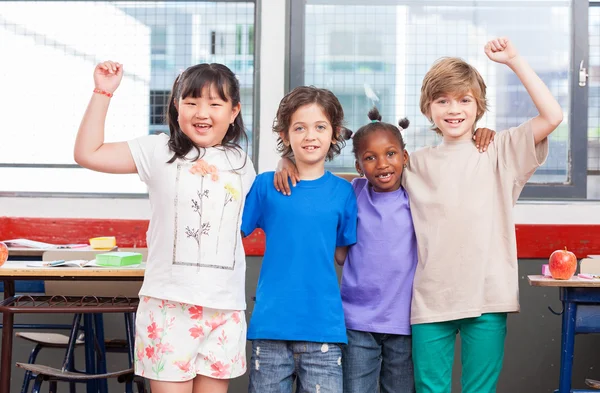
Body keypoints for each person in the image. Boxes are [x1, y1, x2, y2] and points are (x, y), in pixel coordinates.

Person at [74, 61, 255, 393]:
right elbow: (88, 153)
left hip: (224, 309)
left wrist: (287, 160)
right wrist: (103, 92)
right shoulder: (158, 150)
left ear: (234, 112)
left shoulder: (242, 163)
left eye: (215, 103)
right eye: (191, 102)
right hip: (168, 306)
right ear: (176, 106)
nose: (202, 112)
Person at [406, 37, 562, 393]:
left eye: (464, 100)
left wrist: (514, 60)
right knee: (429, 388)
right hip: (431, 299)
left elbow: (553, 116)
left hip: (488, 295)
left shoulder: (500, 150)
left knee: (480, 389)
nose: (453, 109)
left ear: (479, 107)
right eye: (442, 100)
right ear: (427, 108)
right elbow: (366, 175)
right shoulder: (413, 163)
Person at [241, 86, 358, 393]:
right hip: (270, 329)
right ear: (284, 135)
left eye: (320, 127)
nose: (310, 136)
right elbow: (231, 231)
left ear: (335, 134)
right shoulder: (266, 186)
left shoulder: (344, 192)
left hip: (324, 331)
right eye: (299, 128)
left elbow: (342, 255)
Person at [338, 108, 417, 393]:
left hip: (405, 322)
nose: (382, 164)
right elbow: (315, 176)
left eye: (391, 154)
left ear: (405, 158)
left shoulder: (416, 196)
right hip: (357, 322)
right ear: (359, 166)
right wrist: (287, 159)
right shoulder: (354, 191)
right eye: (370, 158)